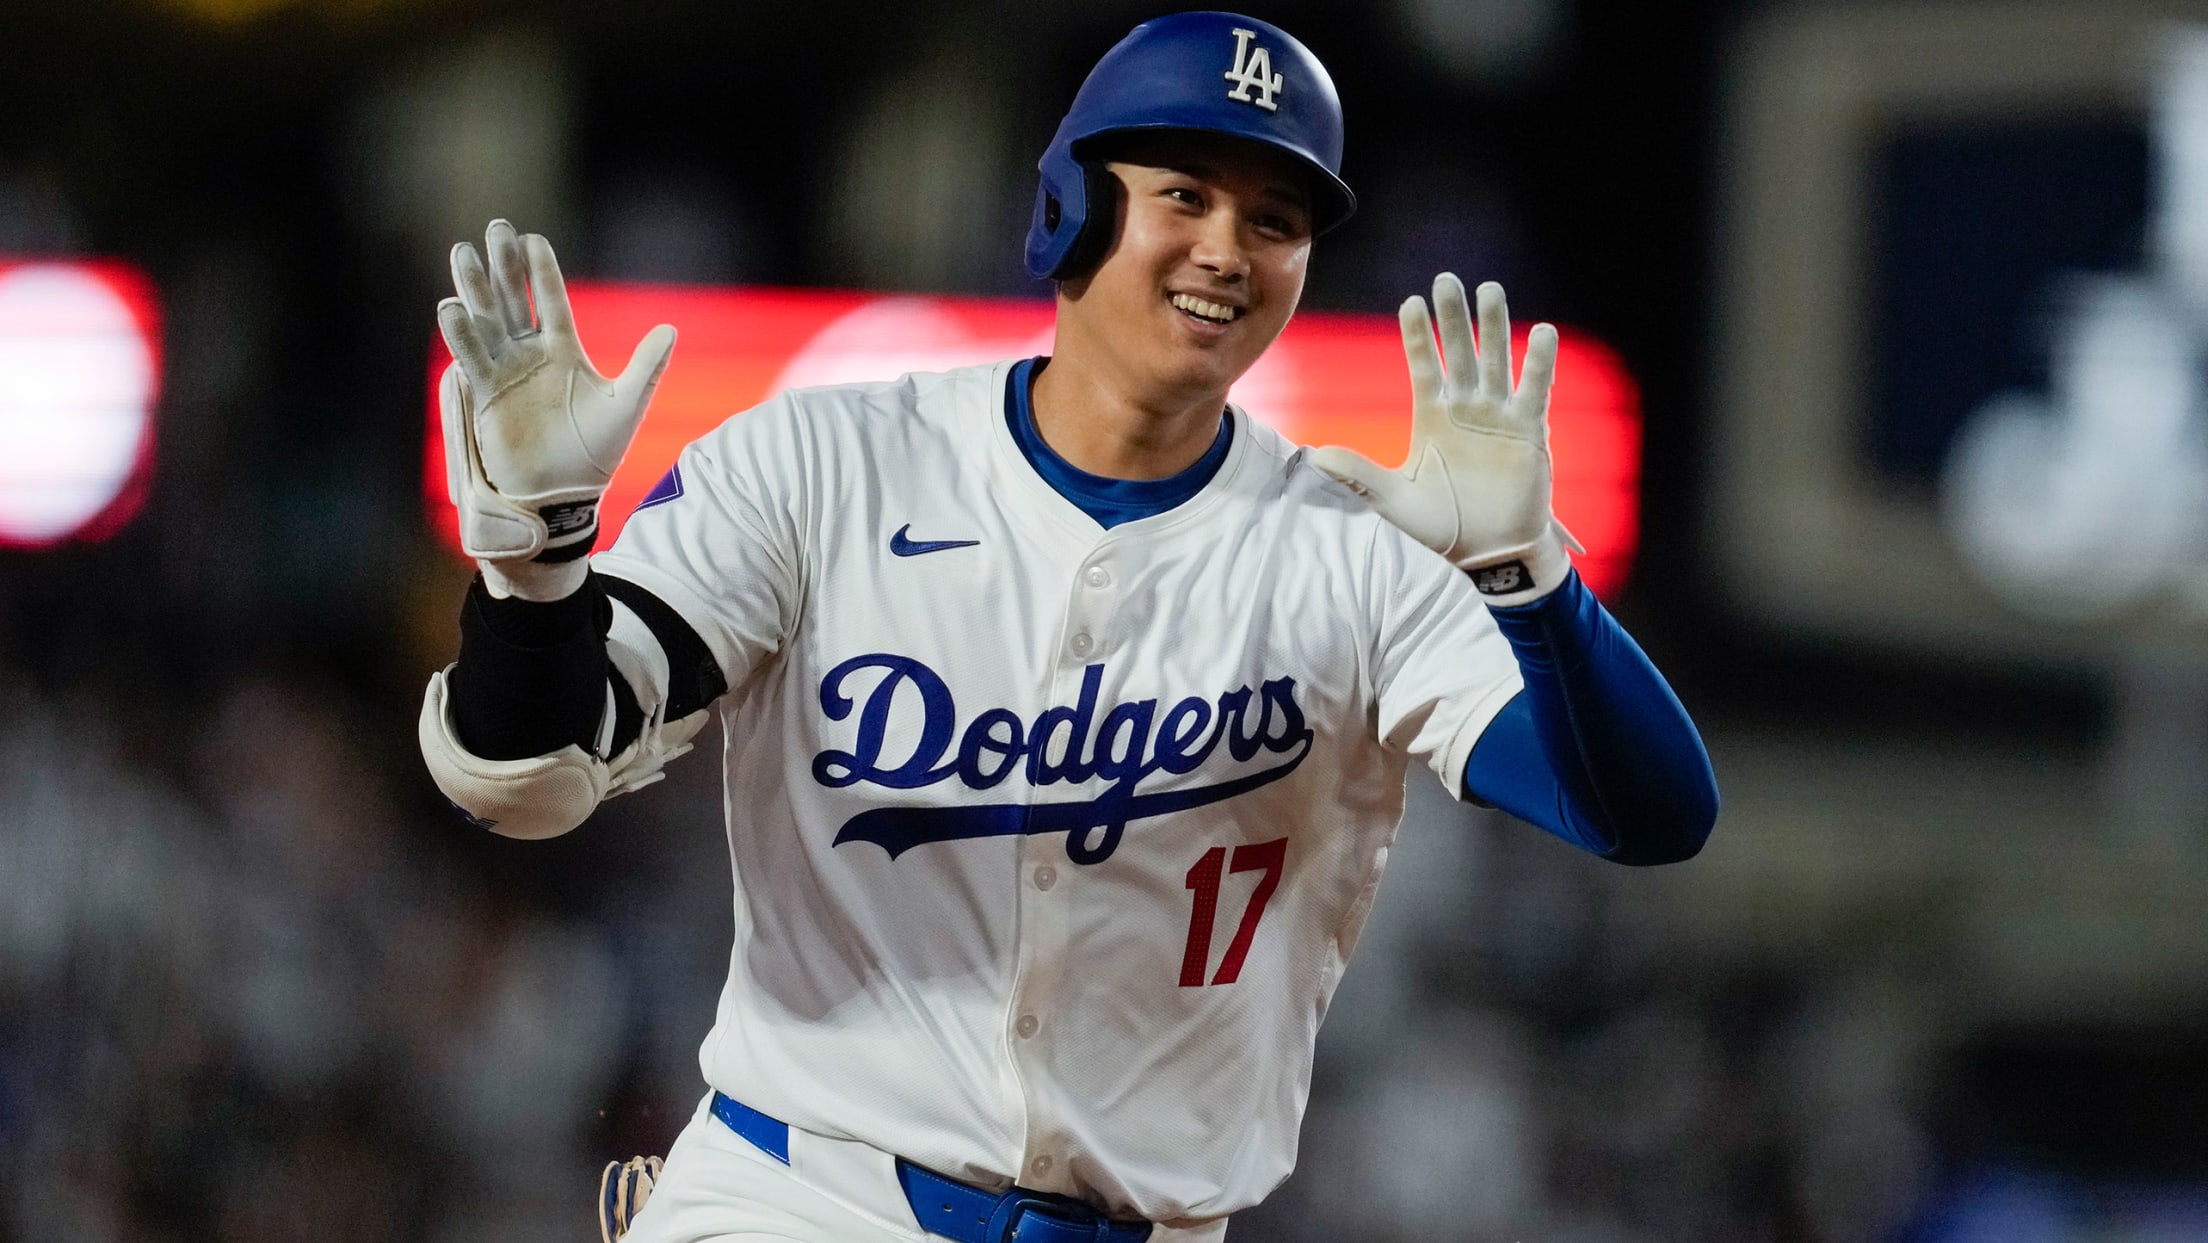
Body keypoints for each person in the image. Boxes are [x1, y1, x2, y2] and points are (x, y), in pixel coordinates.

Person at [418, 12, 1719, 1243]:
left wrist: (1532, 579)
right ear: (1069, 207)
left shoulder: (1347, 552)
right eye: (1185, 197)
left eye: (1273, 219)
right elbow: (528, 770)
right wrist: (537, 576)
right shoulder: (824, 464)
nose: (1227, 248)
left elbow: (1651, 816)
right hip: (805, 1199)